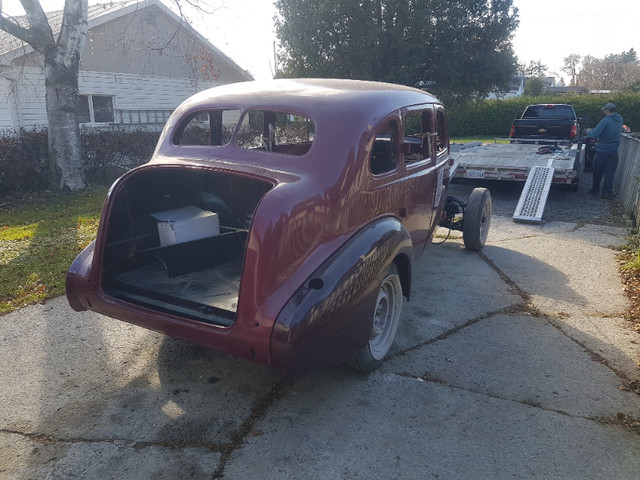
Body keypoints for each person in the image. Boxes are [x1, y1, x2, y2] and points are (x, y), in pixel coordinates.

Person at [586, 102, 624, 199]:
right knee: (609, 173)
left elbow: (594, 134)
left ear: (607, 110)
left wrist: (588, 132)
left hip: (602, 150)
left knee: (597, 170)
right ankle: (607, 193)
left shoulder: (605, 121)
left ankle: (595, 190)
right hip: (614, 151)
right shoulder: (620, 120)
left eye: (604, 110)